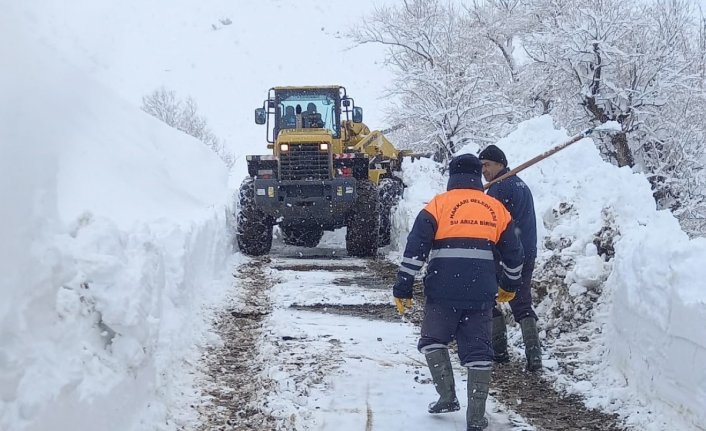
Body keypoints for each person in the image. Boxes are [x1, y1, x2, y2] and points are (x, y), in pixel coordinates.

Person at [392, 153, 524, 431]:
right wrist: (509, 285)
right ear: (478, 175)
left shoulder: (438, 205)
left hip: (442, 291)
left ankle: (447, 397)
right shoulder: (495, 208)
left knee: (432, 340)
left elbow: (416, 248)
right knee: (478, 352)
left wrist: (403, 285)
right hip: (481, 293)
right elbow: (514, 254)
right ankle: (476, 418)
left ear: (452, 176)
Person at [478, 144, 542, 371]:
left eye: (486, 165)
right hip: (527, 251)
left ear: (500, 164)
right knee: (522, 302)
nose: (483, 170)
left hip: (505, 255)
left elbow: (491, 226)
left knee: (489, 298)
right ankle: (534, 358)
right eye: (481, 166)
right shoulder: (520, 184)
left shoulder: (498, 189)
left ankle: (499, 351)